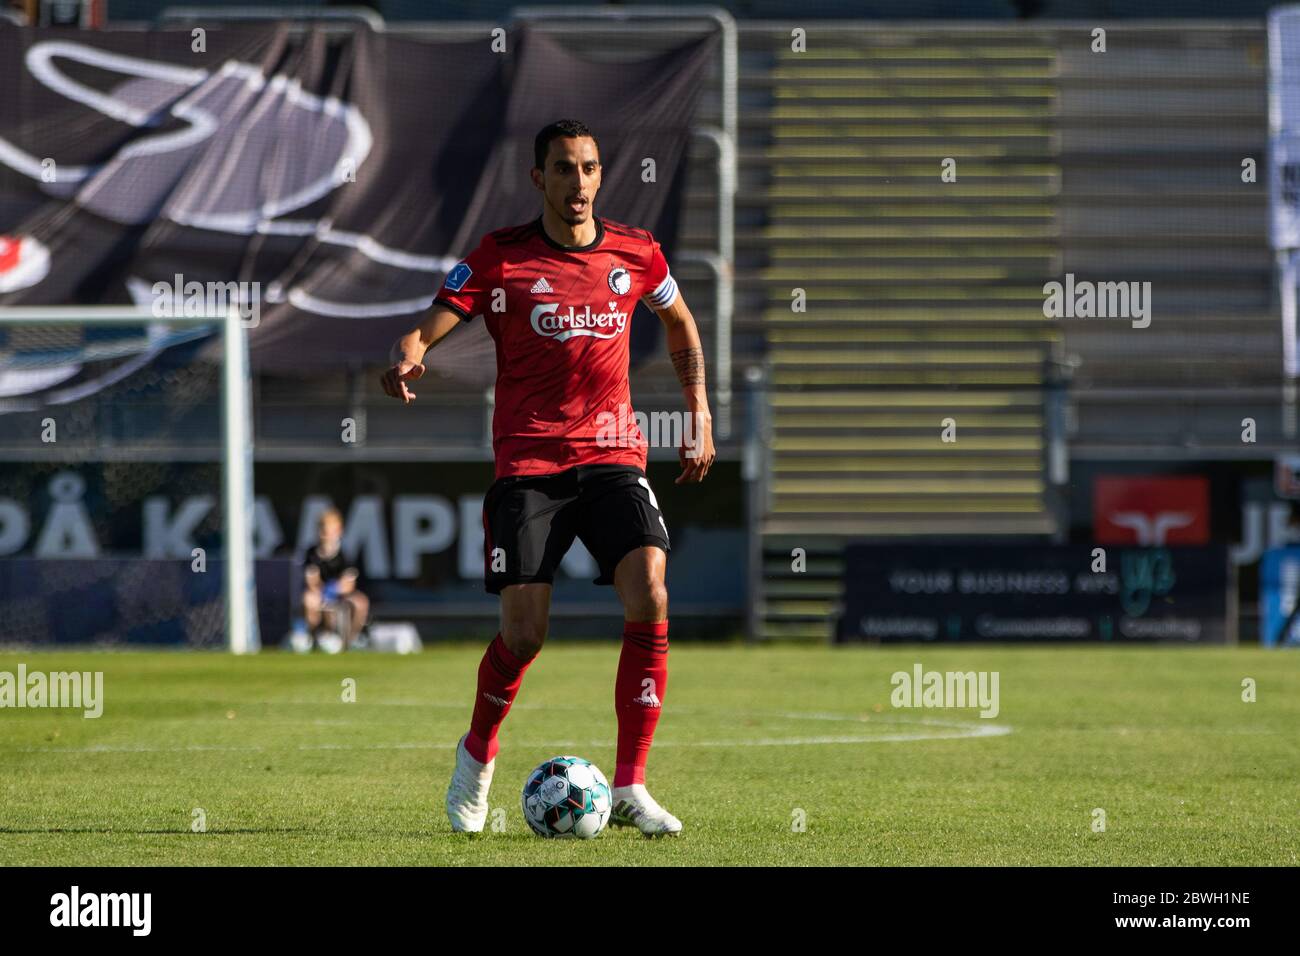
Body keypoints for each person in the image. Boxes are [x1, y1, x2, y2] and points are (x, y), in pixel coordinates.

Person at [380, 119, 716, 836]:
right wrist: (411, 353)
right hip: (529, 465)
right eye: (564, 169)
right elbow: (431, 323)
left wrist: (700, 414)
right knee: (526, 635)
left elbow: (682, 323)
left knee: (650, 587)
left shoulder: (638, 252)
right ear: (540, 179)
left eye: (589, 168)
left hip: (614, 456)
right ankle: (476, 759)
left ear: (601, 176)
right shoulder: (501, 258)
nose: (579, 182)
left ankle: (631, 785)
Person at [301, 508, 369, 651]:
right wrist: (324, 594)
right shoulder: (311, 553)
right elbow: (312, 581)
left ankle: (350, 642)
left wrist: (334, 590)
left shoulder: (345, 554)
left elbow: (349, 584)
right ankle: (314, 640)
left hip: (341, 595)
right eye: (322, 530)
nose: (325, 535)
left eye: (329, 531)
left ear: (338, 531)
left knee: (361, 602)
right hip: (320, 593)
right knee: (309, 599)